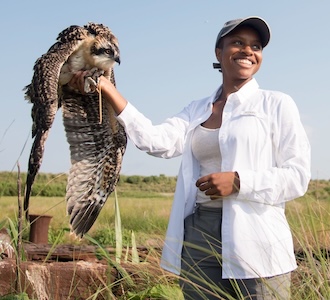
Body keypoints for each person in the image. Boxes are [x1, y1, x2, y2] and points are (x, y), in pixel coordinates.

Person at [70, 16, 311, 299]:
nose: (248, 51)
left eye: (256, 46)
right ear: (218, 53)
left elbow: (297, 175)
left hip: (257, 237)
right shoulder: (197, 109)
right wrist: (109, 90)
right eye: (237, 43)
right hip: (200, 233)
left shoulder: (276, 104)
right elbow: (156, 141)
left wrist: (239, 182)